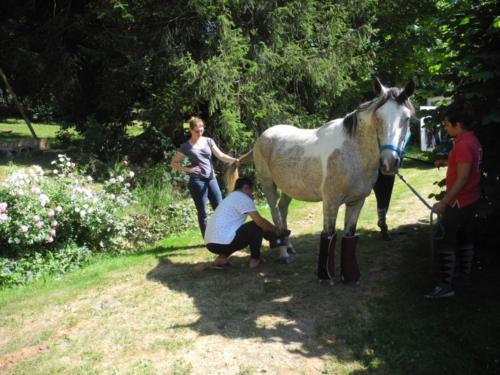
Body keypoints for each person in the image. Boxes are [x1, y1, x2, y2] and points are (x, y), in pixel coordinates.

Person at [425, 107, 482, 299]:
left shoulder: (463, 144)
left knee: (444, 240)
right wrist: (445, 162)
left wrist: (445, 202)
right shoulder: (471, 140)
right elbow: (465, 165)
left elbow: (463, 176)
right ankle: (464, 278)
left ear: (458, 125)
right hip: (471, 199)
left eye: (447, 125)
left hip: (459, 201)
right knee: (465, 238)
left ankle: (446, 285)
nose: (446, 128)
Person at [171, 116, 239, 237]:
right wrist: (188, 169)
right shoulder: (186, 146)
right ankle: (207, 239)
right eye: (197, 131)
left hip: (212, 179)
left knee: (220, 208)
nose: (200, 133)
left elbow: (221, 155)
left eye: (202, 130)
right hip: (197, 181)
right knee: (202, 212)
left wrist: (233, 160)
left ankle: (224, 234)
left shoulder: (208, 141)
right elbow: (174, 163)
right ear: (191, 130)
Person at [204, 177, 288, 269]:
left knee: (232, 234)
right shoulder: (243, 198)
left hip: (210, 244)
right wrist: (276, 230)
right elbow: (260, 222)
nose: (251, 194)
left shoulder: (230, 197)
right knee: (256, 226)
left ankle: (222, 259)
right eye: (251, 191)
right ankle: (255, 259)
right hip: (222, 243)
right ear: (246, 188)